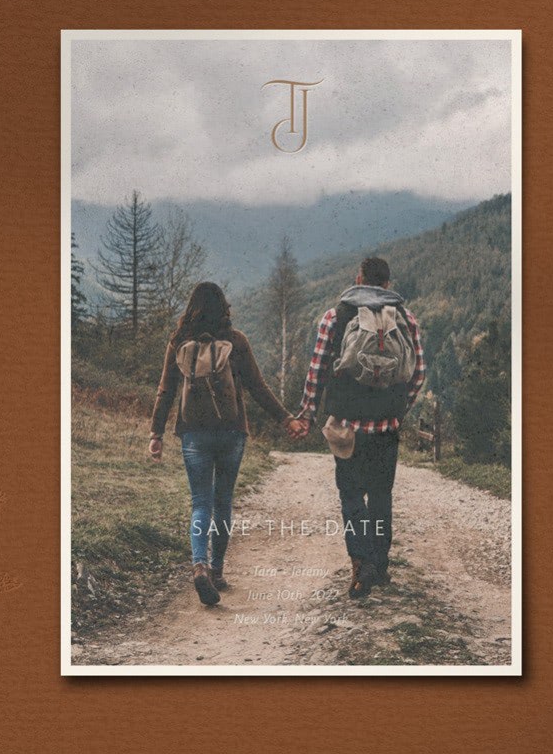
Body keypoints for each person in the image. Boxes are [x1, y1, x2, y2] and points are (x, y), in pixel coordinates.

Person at [148, 282, 304, 606]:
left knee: (200, 503)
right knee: (223, 502)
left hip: (193, 433)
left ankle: (199, 566)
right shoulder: (236, 341)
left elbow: (165, 389)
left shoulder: (179, 342)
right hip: (232, 432)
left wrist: (156, 433)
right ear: (224, 308)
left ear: (192, 308)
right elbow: (258, 387)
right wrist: (286, 418)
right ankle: (217, 570)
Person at [291, 258, 425, 599]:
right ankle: (379, 565)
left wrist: (307, 412)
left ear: (358, 279)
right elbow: (418, 373)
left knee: (351, 494)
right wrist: (399, 411)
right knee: (381, 495)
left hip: (346, 426)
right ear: (387, 282)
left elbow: (318, 369)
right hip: (386, 426)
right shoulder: (405, 317)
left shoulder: (336, 316)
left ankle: (360, 561)